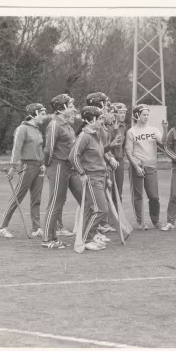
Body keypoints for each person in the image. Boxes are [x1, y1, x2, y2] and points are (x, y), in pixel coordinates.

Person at [41, 94, 84, 249]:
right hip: (58, 166)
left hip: (68, 167)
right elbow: (48, 149)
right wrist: (46, 165)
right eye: (70, 105)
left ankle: (53, 236)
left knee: (60, 202)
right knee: (55, 202)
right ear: (62, 108)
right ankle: (47, 239)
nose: (73, 108)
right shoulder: (54, 125)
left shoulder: (66, 125)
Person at [0, 103, 47, 239]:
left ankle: (36, 228)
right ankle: (2, 227)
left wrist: (43, 163)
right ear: (34, 114)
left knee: (36, 199)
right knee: (17, 196)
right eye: (42, 114)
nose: (44, 117)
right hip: (27, 167)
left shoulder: (37, 130)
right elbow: (16, 148)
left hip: (38, 168)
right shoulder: (22, 129)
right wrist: (13, 166)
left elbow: (40, 149)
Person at [69, 106, 112, 251]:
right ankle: (86, 239)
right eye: (100, 118)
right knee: (101, 210)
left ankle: (88, 236)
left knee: (91, 210)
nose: (102, 121)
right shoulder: (84, 136)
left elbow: (99, 155)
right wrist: (81, 173)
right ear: (91, 119)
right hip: (91, 178)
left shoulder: (96, 134)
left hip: (100, 177)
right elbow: (73, 156)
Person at [125, 104, 168, 230]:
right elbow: (128, 151)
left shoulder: (153, 130)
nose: (146, 117)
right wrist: (136, 167)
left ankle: (156, 220)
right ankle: (141, 221)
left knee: (154, 196)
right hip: (137, 166)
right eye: (144, 114)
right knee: (138, 196)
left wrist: (165, 129)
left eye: (147, 114)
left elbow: (164, 142)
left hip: (151, 166)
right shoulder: (131, 132)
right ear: (137, 115)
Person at [85, 92, 121, 235]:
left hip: (101, 167)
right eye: (105, 103)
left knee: (97, 203)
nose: (107, 105)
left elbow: (103, 147)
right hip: (93, 169)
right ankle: (86, 233)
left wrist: (109, 153)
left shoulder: (103, 124)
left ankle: (95, 231)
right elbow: (96, 149)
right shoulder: (93, 126)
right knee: (91, 204)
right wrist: (109, 158)